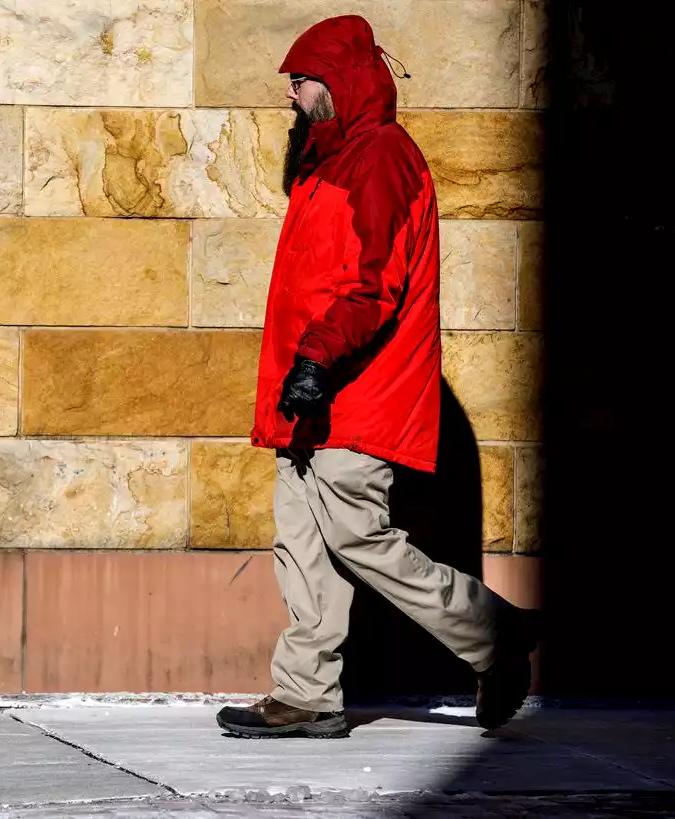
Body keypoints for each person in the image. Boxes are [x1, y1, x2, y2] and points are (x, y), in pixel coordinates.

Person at [215, 15, 541, 740]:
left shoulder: (383, 158)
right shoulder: (329, 163)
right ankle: (306, 694)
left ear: (333, 81)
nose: (291, 98)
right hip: (310, 398)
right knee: (300, 544)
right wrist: (298, 378)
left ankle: (495, 635)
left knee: (357, 534)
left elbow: (371, 284)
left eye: (299, 82)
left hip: (355, 392)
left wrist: (317, 360)